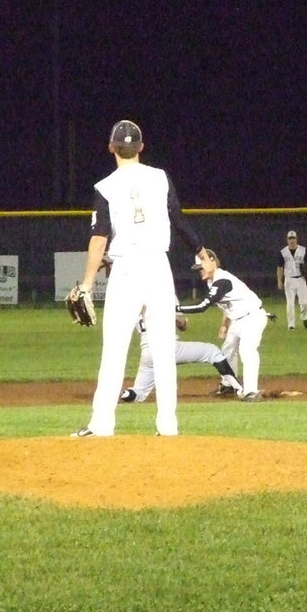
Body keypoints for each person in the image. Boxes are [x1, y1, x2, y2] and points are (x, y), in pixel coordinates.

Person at [72, 120, 204, 437]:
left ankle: (102, 425)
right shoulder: (160, 178)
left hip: (127, 271)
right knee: (163, 348)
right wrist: (200, 250)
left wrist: (87, 284)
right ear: (141, 148)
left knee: (115, 350)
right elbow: (178, 217)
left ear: (111, 148)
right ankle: (168, 426)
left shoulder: (105, 187)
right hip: (159, 268)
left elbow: (99, 240)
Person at [178, 248, 271, 402]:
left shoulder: (222, 281)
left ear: (213, 261)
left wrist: (175, 308)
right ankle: (229, 384)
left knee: (247, 350)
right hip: (238, 319)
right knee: (227, 350)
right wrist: (224, 325)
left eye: (202, 267)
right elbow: (228, 305)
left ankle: (252, 391)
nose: (200, 271)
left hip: (252, 317)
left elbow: (201, 307)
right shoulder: (211, 281)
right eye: (198, 268)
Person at [120, 306, 244, 403]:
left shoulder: (136, 304)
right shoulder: (164, 294)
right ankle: (239, 389)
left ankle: (124, 394)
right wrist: (183, 322)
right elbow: (181, 324)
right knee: (212, 351)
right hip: (168, 349)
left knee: (138, 394)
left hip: (147, 353)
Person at [276, 229, 307, 330]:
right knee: (290, 303)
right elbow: (280, 267)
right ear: (287, 240)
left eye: (293, 238)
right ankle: (291, 325)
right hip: (289, 280)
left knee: (305, 303)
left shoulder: (303, 250)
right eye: (290, 238)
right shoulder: (283, 252)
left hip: (301, 279)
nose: (292, 240)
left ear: (296, 239)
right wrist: (279, 280)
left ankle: (304, 316)